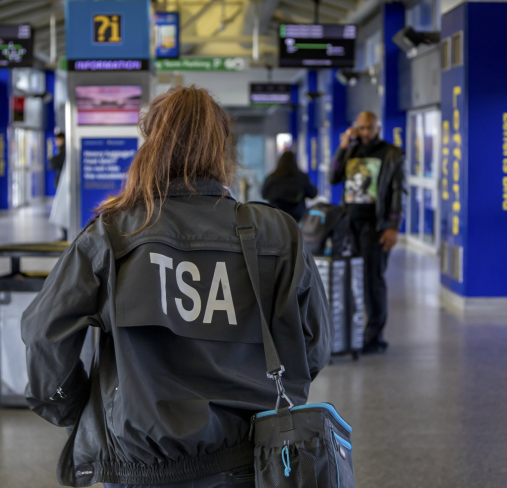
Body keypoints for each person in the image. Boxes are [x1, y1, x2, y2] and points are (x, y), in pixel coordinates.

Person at [22, 86, 332, 488]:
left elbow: (43, 334)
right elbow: (315, 345)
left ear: (151, 145)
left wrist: (76, 409)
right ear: (223, 149)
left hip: (141, 469)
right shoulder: (277, 233)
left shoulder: (112, 235)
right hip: (251, 462)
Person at [330, 111, 406, 355]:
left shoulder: (392, 154)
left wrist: (393, 226)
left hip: (376, 227)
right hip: (349, 225)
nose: (365, 132)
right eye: (361, 128)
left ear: (378, 128)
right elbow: (333, 176)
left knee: (373, 280)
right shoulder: (351, 151)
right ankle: (349, 334)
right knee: (350, 280)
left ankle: (374, 338)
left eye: (369, 128)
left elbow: (399, 191)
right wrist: (343, 146)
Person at [261, 151, 318, 222]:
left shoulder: (271, 178)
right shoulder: (301, 177)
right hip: (297, 218)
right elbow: (313, 194)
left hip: (276, 217)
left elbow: (263, 195)